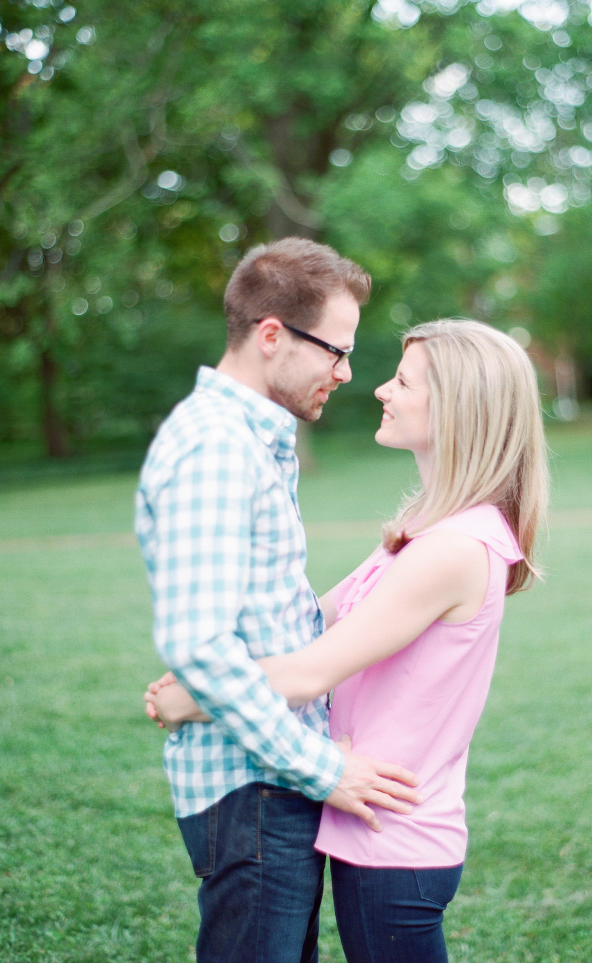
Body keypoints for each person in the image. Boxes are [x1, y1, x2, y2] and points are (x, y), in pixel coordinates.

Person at [149, 318, 549, 962]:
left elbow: (311, 673)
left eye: (404, 381)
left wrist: (191, 697)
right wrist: (213, 658)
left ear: (458, 409)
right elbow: (316, 618)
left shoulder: (453, 548)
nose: (381, 390)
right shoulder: (424, 525)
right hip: (364, 820)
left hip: (396, 834)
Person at [136, 237, 422, 963]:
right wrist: (325, 768)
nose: (348, 372)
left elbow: (269, 615)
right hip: (256, 787)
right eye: (335, 350)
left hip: (271, 778)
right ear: (271, 335)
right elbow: (201, 647)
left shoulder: (253, 440)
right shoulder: (217, 448)